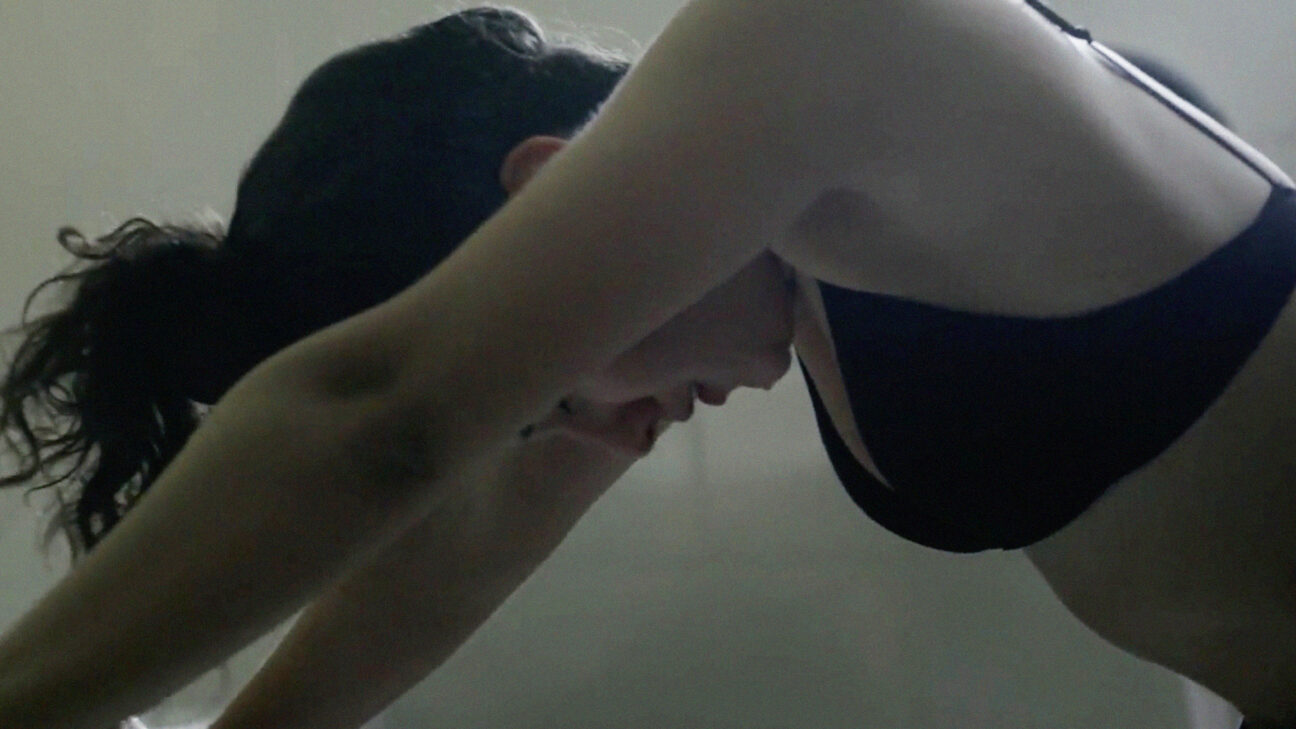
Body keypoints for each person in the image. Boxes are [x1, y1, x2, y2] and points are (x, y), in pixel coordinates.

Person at [0, 1, 1292, 727]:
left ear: (545, 194)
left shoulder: (827, 39)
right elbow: (454, 553)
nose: (607, 429)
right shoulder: (802, 253)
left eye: (555, 391)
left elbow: (387, 417)